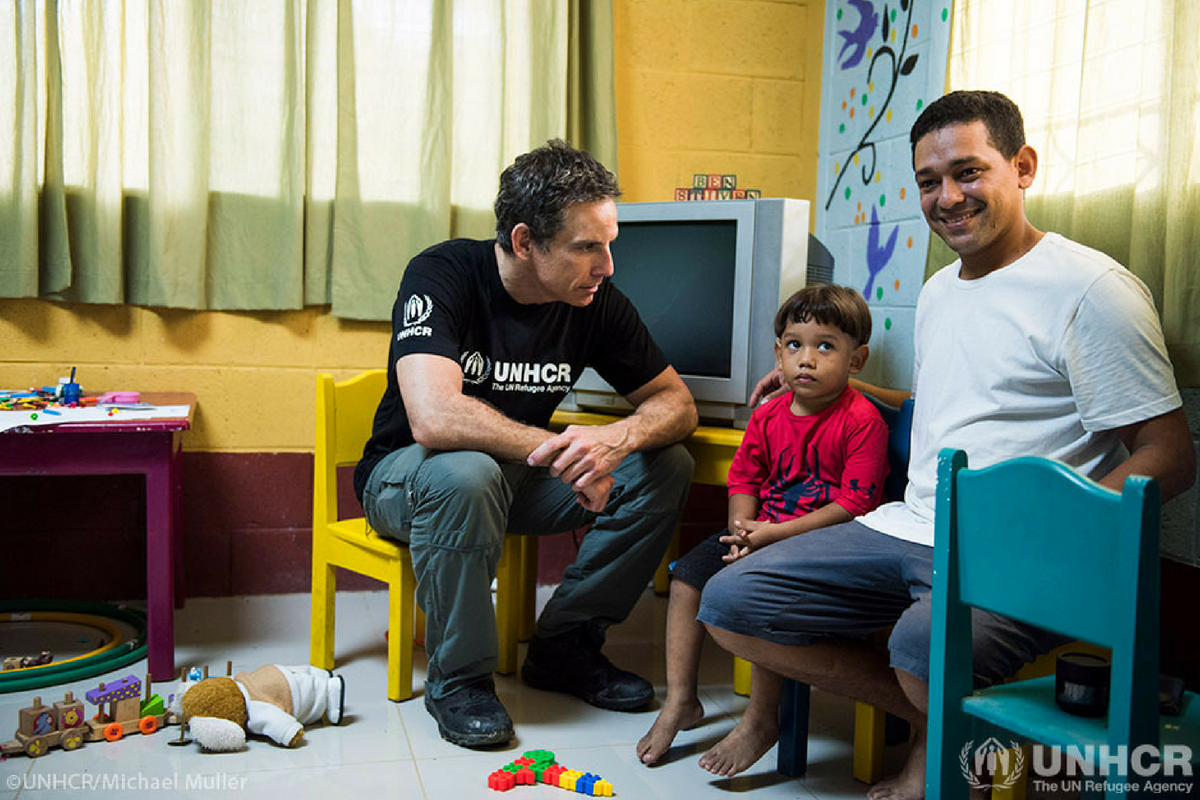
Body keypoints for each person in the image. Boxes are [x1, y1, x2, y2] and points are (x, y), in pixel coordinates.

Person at [698, 90, 1196, 800]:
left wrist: (1036, 532)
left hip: (1020, 547)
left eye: (968, 172)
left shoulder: (1091, 290)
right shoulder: (939, 290)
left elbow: (1170, 456)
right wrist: (834, 386)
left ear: (1022, 167)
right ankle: (973, 734)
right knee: (729, 602)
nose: (947, 197)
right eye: (929, 181)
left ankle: (948, 746)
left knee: (919, 648)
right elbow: (953, 408)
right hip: (909, 524)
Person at [353, 140, 698, 748]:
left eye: (609, 243)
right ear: (522, 242)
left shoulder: (593, 301)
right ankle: (458, 681)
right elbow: (433, 418)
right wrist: (563, 451)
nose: (607, 265)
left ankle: (564, 645)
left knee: (664, 465)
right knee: (466, 474)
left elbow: (677, 404)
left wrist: (617, 439)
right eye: (587, 247)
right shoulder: (442, 273)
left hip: (513, 479)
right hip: (408, 479)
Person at [636, 284, 891, 775]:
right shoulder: (769, 414)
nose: (807, 360)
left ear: (856, 360)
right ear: (778, 353)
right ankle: (680, 703)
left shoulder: (862, 421)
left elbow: (857, 503)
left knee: (761, 598)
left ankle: (760, 718)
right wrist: (741, 531)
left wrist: (770, 536)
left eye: (825, 346)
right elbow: (745, 477)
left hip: (824, 544)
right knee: (689, 578)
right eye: (794, 345)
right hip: (761, 534)